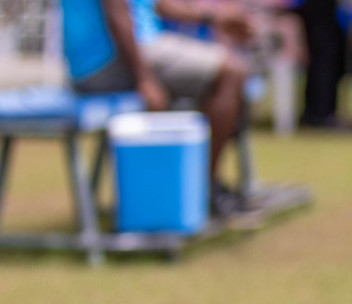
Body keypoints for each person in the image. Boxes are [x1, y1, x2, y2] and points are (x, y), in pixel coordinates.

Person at [61, 0, 258, 213]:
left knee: (233, 77)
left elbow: (156, 4)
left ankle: (197, 186)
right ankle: (202, 189)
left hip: (132, 49)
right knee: (232, 72)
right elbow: (116, 13)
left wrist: (213, 18)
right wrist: (144, 79)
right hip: (105, 60)